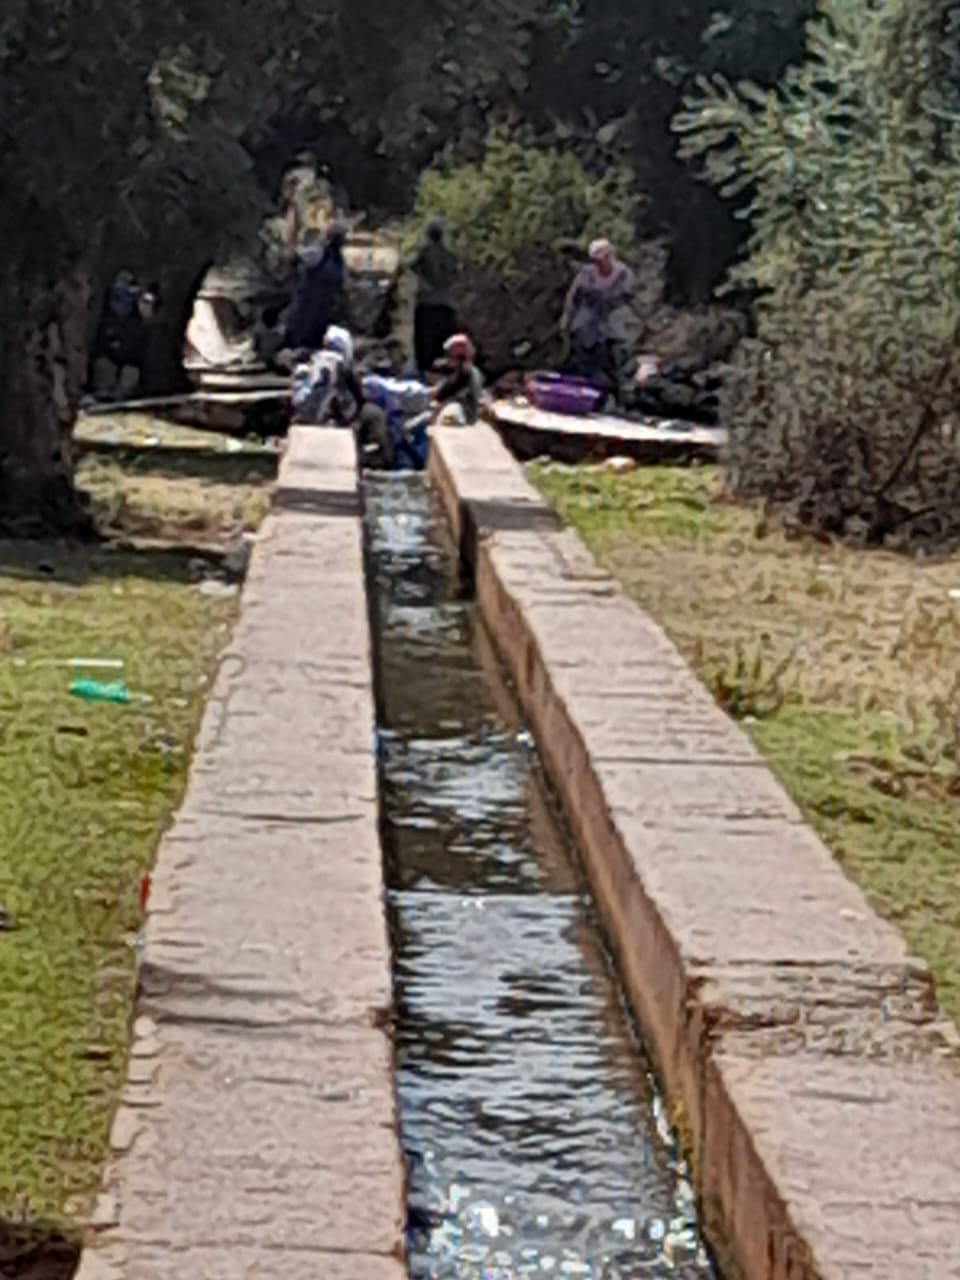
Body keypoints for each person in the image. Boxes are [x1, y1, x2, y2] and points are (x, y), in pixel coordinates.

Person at [560, 238, 637, 407]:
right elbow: (574, 295)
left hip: (612, 324)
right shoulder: (587, 273)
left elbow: (630, 299)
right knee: (583, 362)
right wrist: (567, 316)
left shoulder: (623, 274)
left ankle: (618, 402)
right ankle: (583, 399)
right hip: (586, 324)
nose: (600, 262)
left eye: (604, 256)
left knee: (613, 364)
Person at [283, 221, 350, 353]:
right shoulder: (318, 252)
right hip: (309, 298)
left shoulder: (338, 258)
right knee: (303, 325)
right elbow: (295, 257)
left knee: (317, 328)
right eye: (340, 238)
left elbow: (342, 282)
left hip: (324, 302)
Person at [411, 218, 458, 376]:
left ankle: (424, 371)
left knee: (424, 342)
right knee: (442, 341)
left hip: (427, 302)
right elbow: (456, 273)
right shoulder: (449, 254)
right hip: (446, 303)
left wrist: (425, 284)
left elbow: (413, 266)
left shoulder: (425, 251)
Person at [433, 333, 484, 424]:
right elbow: (438, 392)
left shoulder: (472, 374)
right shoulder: (442, 369)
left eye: (461, 357)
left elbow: (476, 397)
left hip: (463, 413)